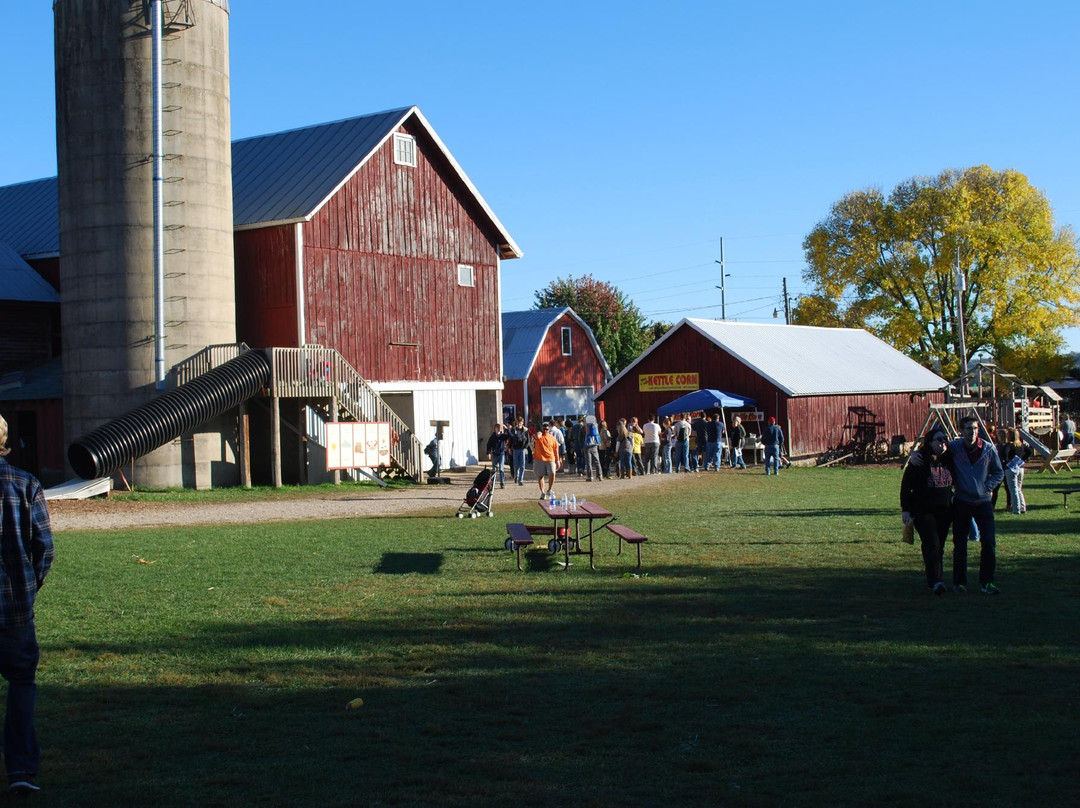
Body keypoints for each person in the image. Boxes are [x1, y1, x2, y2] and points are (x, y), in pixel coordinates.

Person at [0, 413, 55, 795]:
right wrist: (28, 589)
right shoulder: (25, 484)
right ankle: (21, 770)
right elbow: (44, 548)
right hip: (15, 609)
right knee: (21, 685)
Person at [949, 416, 1005, 594]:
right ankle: (959, 583)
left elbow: (998, 472)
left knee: (988, 542)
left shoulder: (988, 449)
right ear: (961, 430)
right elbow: (934, 451)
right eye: (967, 428)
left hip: (983, 502)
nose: (972, 432)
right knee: (960, 544)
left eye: (974, 428)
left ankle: (987, 582)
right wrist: (916, 454)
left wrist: (987, 487)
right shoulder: (954, 448)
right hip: (962, 501)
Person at [900, 427, 955, 595]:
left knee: (939, 546)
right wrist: (906, 510)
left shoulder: (950, 459)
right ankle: (936, 582)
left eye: (945, 439)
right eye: (939, 439)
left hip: (945, 510)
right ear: (930, 442)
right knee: (932, 543)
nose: (943, 442)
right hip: (923, 510)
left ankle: (936, 577)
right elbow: (906, 487)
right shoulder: (918, 462)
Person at [1002, 428, 1029, 515]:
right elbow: (1030, 451)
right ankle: (1022, 506)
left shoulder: (1009, 445)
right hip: (1020, 467)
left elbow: (1005, 454)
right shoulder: (1020, 445)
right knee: (1019, 488)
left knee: (1013, 489)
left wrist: (1007, 461)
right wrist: (1023, 458)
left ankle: (1016, 509)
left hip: (1011, 469)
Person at [532, 422, 561, 499]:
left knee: (552, 473)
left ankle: (549, 489)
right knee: (540, 476)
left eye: (547, 429)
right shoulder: (539, 436)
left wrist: (558, 460)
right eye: (544, 428)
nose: (545, 430)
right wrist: (539, 432)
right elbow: (537, 436)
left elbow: (556, 450)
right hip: (539, 459)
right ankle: (542, 492)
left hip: (550, 458)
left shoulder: (552, 438)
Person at [485, 423, 509, 488]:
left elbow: (509, 436)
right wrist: (488, 453)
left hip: (501, 454)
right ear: (494, 429)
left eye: (499, 428)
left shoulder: (502, 436)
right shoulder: (492, 437)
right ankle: (492, 483)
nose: (498, 429)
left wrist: (506, 429)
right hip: (495, 454)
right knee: (494, 470)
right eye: (497, 428)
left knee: (501, 469)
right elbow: (489, 445)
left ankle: (502, 483)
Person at [507, 417, 530, 486]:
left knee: (522, 466)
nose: (519, 424)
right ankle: (516, 475)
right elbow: (511, 439)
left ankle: (520, 480)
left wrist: (525, 447)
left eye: (520, 423)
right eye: (518, 422)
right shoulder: (514, 430)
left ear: (522, 423)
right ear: (516, 423)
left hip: (522, 449)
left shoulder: (525, 430)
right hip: (515, 449)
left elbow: (528, 440)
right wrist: (510, 448)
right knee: (516, 465)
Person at [583, 416, 603, 482]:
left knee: (589, 462)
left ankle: (590, 476)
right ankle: (600, 475)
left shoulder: (587, 426)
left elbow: (586, 432)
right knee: (597, 460)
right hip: (594, 444)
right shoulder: (595, 426)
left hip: (588, 444)